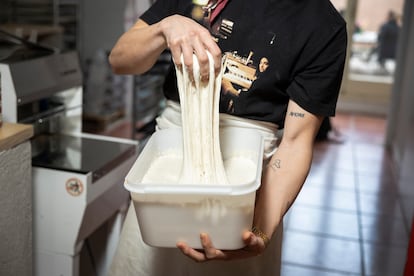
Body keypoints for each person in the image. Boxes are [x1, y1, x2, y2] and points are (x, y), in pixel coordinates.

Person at [108, 0, 347, 275]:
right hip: (167, 171)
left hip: (247, 191)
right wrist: (164, 28)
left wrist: (260, 231)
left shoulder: (321, 24)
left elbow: (295, 144)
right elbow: (120, 61)